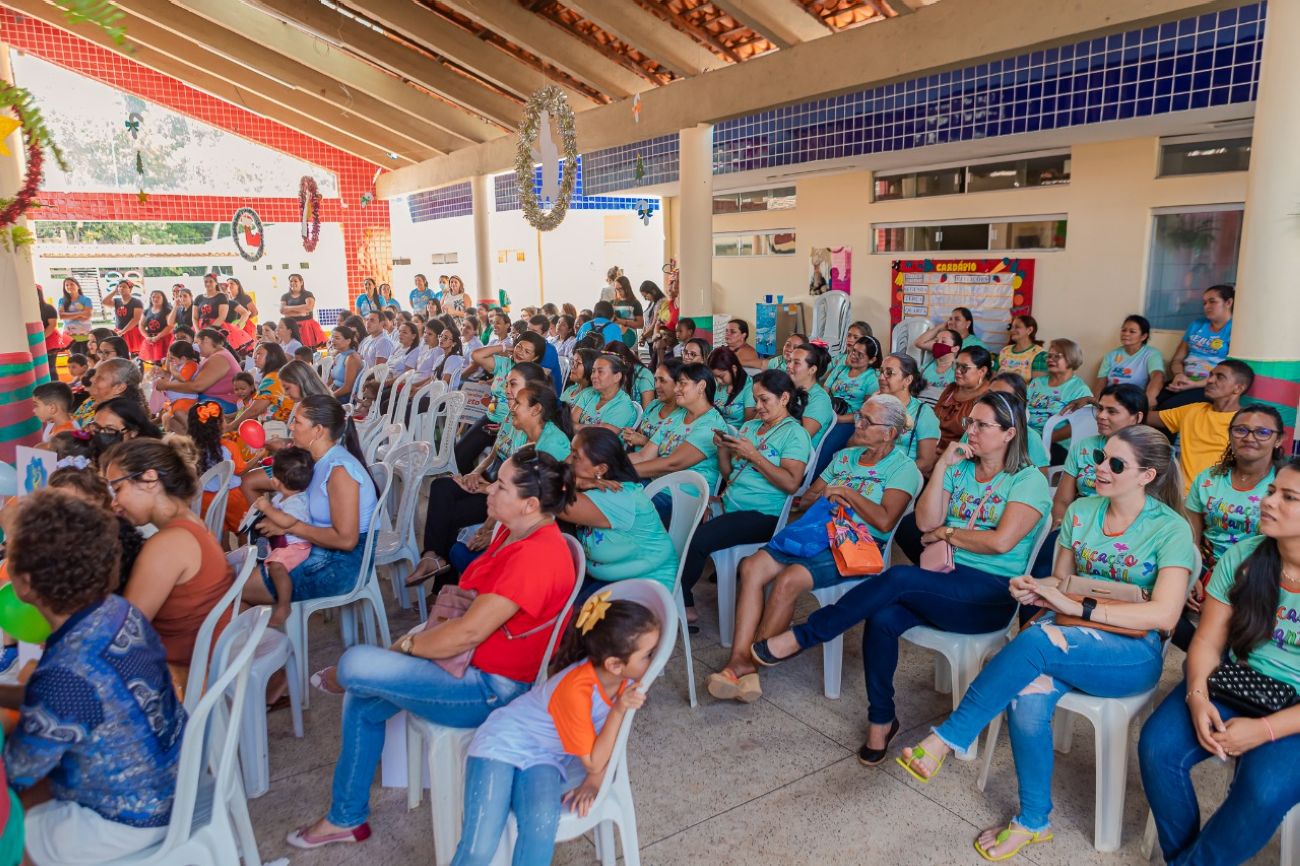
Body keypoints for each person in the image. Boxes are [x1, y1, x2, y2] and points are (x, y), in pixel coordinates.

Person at [897, 426, 1194, 860]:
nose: (1100, 469)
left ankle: (950, 736)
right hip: (1069, 632)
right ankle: (1034, 821)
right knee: (1028, 694)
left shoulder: (1170, 529)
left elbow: (1165, 615)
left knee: (1039, 640)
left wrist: (1080, 610)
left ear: (1147, 476)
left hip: (1131, 651)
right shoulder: (1082, 511)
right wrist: (1035, 587)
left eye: (1116, 464)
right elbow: (1063, 581)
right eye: (1100, 458)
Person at [287, 448, 578, 850]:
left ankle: (346, 808)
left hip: (491, 688)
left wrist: (407, 645)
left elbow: (467, 634)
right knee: (363, 695)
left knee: (355, 664)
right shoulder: (515, 531)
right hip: (470, 666)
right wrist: (408, 648)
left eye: (501, 486)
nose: (489, 490)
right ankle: (346, 817)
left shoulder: (537, 556)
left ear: (530, 504)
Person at [753, 392, 1051, 766]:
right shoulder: (960, 468)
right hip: (944, 579)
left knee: (898, 578)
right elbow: (924, 522)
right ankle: (881, 720)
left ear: (1009, 433)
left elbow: (1000, 542)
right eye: (969, 422)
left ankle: (807, 634)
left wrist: (947, 534)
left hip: (989, 593)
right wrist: (942, 466)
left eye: (981, 425)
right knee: (883, 617)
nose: (969, 431)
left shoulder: (1027, 480)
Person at [3, 490, 185, 865]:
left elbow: (18, 770)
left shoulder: (66, 674)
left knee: (9, 834)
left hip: (129, 817)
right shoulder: (117, 612)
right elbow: (63, 699)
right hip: (174, 776)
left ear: (24, 582)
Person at [708, 394, 920, 705]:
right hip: (817, 531)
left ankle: (748, 664)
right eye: (859, 416)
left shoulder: (903, 468)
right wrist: (825, 496)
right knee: (752, 567)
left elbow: (885, 520)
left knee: (789, 579)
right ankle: (740, 658)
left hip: (857, 543)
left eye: (866, 421)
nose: (858, 424)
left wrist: (847, 493)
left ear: (889, 433)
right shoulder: (845, 457)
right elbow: (809, 497)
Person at [1139, 458, 1300, 866]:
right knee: (1158, 748)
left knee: (1263, 790)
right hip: (1241, 682)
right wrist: (1196, 697)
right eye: (1271, 491)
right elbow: (1208, 640)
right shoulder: (1247, 556)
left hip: (1295, 712)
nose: (1269, 501)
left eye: (1289, 497)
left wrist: (1263, 730)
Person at [450, 597, 658, 866]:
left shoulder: (624, 681)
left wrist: (595, 780)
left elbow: (611, 743)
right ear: (614, 664)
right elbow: (594, 760)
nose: (655, 660)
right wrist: (617, 712)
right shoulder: (576, 689)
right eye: (648, 655)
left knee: (541, 826)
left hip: (545, 757)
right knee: (480, 846)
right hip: (500, 743)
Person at [103, 438, 235, 688]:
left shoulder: (168, 544)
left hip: (183, 677)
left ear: (150, 478)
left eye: (117, 489)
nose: (114, 503)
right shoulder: (189, 523)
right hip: (197, 663)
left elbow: (125, 633)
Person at [681, 370, 813, 617]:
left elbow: (791, 483)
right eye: (755, 399)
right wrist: (723, 449)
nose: (758, 407)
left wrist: (754, 455)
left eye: (764, 400)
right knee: (681, 522)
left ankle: (683, 602)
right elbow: (729, 475)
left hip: (764, 514)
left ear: (784, 398)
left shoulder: (795, 434)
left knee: (698, 540)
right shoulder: (751, 427)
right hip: (729, 504)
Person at [1178, 407, 1285, 650]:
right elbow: (1192, 535)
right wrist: (1191, 574)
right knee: (1166, 603)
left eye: (1262, 432)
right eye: (1241, 430)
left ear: (1278, 439)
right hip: (1207, 566)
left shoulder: (1282, 485)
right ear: (1230, 434)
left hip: (1259, 571)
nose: (1249, 437)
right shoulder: (1208, 479)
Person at [1033, 383, 1149, 576]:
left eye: (1112, 411)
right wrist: (1064, 526)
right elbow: (1062, 500)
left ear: (1136, 418)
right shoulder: (1084, 447)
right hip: (1079, 524)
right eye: (1100, 409)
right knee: (1047, 560)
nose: (1101, 416)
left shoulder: (1149, 455)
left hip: (1124, 532)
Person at [560, 428, 677, 600]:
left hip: (645, 584)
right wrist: (578, 481)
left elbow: (551, 499)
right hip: (605, 575)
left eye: (575, 456)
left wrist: (575, 481)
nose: (567, 460)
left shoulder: (617, 495)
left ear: (601, 469)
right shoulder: (598, 487)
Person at [1153, 360, 1254, 493]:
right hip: (1177, 496)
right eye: (1210, 375)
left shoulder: (1247, 424)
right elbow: (1143, 417)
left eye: (1220, 377)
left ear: (1238, 388)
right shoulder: (1193, 411)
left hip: (1215, 500)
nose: (1210, 380)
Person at [629, 362, 729, 497]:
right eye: (676, 384)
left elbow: (672, 464)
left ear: (701, 386)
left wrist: (622, 471)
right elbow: (644, 456)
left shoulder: (711, 425)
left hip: (682, 496)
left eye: (682, 384)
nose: (676, 389)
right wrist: (611, 463)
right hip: (656, 484)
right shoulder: (677, 415)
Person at [457, 331, 547, 473]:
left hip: (514, 427)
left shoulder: (534, 378)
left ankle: (482, 481)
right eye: (519, 347)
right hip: (490, 419)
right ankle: (470, 479)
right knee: (459, 455)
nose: (520, 352)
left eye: (527, 351)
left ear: (535, 357)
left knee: (499, 469)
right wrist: (504, 347)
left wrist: (506, 427)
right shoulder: (504, 364)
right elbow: (476, 355)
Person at [248, 446, 316, 627]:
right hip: (284, 542)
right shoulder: (281, 497)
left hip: (298, 546)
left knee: (277, 567)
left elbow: (286, 522)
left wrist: (266, 508)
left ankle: (284, 605)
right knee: (258, 544)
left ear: (276, 481)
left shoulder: (297, 501)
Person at [1157, 284, 1235, 410]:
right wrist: (1178, 375)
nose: (1206, 306)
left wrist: (1194, 384)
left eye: (1212, 301)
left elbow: (1231, 374)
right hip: (1184, 380)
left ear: (1228, 302)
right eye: (1204, 303)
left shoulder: (1234, 330)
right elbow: (1177, 359)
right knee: (1152, 401)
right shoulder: (1196, 325)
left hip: (1209, 386)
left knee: (1168, 408)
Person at [817, 336, 883, 476]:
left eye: (860, 355)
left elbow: (866, 412)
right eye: (853, 351)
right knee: (810, 435)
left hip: (849, 421)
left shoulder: (871, 379)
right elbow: (824, 392)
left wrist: (839, 419)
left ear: (872, 360)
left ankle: (814, 480)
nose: (854, 356)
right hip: (829, 412)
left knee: (827, 445)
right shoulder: (841, 369)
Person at [152, 328, 241, 426]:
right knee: (171, 413)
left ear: (206, 340)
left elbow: (197, 386)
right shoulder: (213, 356)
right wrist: (165, 374)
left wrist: (167, 386)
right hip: (212, 399)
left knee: (177, 412)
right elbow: (188, 379)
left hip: (223, 403)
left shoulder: (219, 358)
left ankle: (195, 433)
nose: (195, 347)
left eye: (196, 342)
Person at [1025, 338, 1093, 456]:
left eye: (1057, 356)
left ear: (1071, 358)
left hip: (1056, 444)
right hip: (1028, 437)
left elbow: (1080, 424)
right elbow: (1023, 407)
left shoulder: (1079, 389)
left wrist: (1043, 439)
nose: (1050, 359)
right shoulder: (1037, 382)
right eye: (1049, 356)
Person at [878, 353, 939, 476]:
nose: (881, 377)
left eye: (889, 373)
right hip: (871, 469)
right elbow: (857, 443)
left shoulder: (923, 413)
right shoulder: (875, 405)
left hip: (900, 474)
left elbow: (926, 463)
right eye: (880, 372)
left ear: (907, 380)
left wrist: (891, 472)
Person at [1094, 314, 1165, 406]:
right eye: (1124, 330)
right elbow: (1101, 382)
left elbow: (1157, 376)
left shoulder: (1151, 354)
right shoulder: (1111, 355)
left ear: (1143, 336)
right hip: (1110, 400)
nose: (1126, 334)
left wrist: (1149, 399)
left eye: (1132, 331)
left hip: (1134, 402)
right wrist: (1097, 402)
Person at [934, 345, 992, 449]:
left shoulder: (988, 398)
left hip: (959, 454)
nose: (958, 370)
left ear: (982, 371)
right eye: (956, 365)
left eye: (964, 367)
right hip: (932, 446)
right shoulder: (951, 389)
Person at [622, 358, 683, 451]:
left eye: (662, 380)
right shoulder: (653, 405)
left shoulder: (684, 415)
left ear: (678, 383)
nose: (656, 386)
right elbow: (639, 433)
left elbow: (677, 453)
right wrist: (631, 434)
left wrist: (644, 441)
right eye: (656, 380)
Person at [570, 353, 639, 434]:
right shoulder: (589, 393)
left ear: (617, 377)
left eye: (600, 372)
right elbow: (569, 422)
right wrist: (598, 426)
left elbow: (600, 435)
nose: (594, 376)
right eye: (593, 371)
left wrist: (576, 427)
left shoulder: (624, 406)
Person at [788, 342, 836, 448]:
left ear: (812, 370)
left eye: (796, 363)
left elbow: (800, 440)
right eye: (790, 361)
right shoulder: (787, 390)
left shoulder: (819, 400)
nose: (789, 366)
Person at [72, 356, 142, 427]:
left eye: (100, 377)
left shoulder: (119, 419)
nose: (91, 379)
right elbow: (72, 425)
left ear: (119, 388)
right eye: (95, 375)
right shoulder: (91, 401)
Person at [708, 346, 755, 427]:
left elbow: (748, 425)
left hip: (737, 432)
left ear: (734, 369)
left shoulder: (749, 387)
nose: (718, 381)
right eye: (715, 377)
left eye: (721, 376)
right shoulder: (717, 384)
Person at [92, 396, 162, 445]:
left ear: (133, 432)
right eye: (96, 427)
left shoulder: (146, 459)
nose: (99, 435)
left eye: (109, 429)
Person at [281, 273, 325, 348]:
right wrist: (301, 312)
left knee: (308, 349)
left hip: (306, 328)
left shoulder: (307, 294)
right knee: (292, 348)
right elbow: (283, 311)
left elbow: (309, 308)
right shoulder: (285, 296)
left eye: (295, 281)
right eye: (291, 281)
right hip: (291, 327)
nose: (293, 283)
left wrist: (289, 308)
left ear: (301, 282)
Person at [918, 328, 962, 404]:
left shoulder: (960, 371)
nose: (938, 344)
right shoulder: (924, 368)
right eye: (936, 341)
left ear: (955, 348)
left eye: (943, 341)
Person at [997, 315, 1047, 381]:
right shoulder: (1005, 350)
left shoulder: (1039, 354)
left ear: (1029, 330)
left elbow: (1038, 385)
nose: (1012, 330)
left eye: (1017, 327)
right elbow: (994, 378)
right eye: (1012, 327)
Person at [914, 306, 985, 353]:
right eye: (950, 319)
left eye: (957, 319)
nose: (951, 322)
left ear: (968, 324)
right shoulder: (943, 340)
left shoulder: (976, 345)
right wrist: (939, 327)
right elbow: (919, 343)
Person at [103, 280, 144, 356]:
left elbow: (136, 319)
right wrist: (114, 291)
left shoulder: (136, 302)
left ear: (130, 289)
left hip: (132, 332)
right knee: (121, 353)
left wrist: (123, 331)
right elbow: (104, 302)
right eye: (120, 286)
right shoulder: (116, 301)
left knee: (135, 354)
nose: (121, 288)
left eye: (124, 287)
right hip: (119, 331)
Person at [526, 314, 564, 394]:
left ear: (545, 333)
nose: (529, 334)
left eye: (534, 331)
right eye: (528, 329)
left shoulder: (549, 350)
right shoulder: (526, 346)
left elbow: (540, 378)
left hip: (547, 394)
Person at [57, 276, 94, 354]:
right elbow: (61, 316)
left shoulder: (86, 300)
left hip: (85, 334)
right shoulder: (62, 300)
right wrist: (81, 313)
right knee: (75, 358)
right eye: (66, 285)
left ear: (78, 286)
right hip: (70, 336)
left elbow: (87, 315)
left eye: (72, 284)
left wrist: (69, 315)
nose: (69, 286)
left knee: (86, 358)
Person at [327, 325, 364, 400]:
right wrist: (322, 390)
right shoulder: (339, 356)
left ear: (348, 341)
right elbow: (331, 379)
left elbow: (348, 388)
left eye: (337, 338)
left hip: (345, 397)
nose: (332, 341)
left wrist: (330, 396)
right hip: (335, 392)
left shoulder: (352, 358)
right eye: (332, 337)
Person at [609, 275, 644, 340]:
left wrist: (622, 321)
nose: (618, 291)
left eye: (620, 288)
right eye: (616, 289)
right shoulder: (612, 303)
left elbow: (640, 324)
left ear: (627, 288)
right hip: (614, 338)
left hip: (630, 338)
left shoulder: (635, 303)